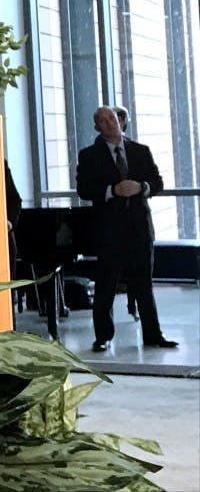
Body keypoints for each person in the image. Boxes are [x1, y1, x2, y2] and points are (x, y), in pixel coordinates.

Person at [76, 106, 177, 351]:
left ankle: (153, 334)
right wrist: (112, 191)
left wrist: (140, 187)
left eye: (111, 118)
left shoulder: (140, 151)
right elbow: (84, 189)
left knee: (143, 284)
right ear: (97, 128)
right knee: (106, 286)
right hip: (108, 231)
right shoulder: (89, 155)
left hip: (140, 228)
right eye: (102, 121)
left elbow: (158, 183)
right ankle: (103, 336)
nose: (109, 123)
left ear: (120, 121)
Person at [112, 105, 139, 320]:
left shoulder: (136, 148)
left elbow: (155, 181)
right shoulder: (96, 151)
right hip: (112, 223)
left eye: (120, 119)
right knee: (108, 278)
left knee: (138, 273)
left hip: (136, 222)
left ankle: (135, 306)